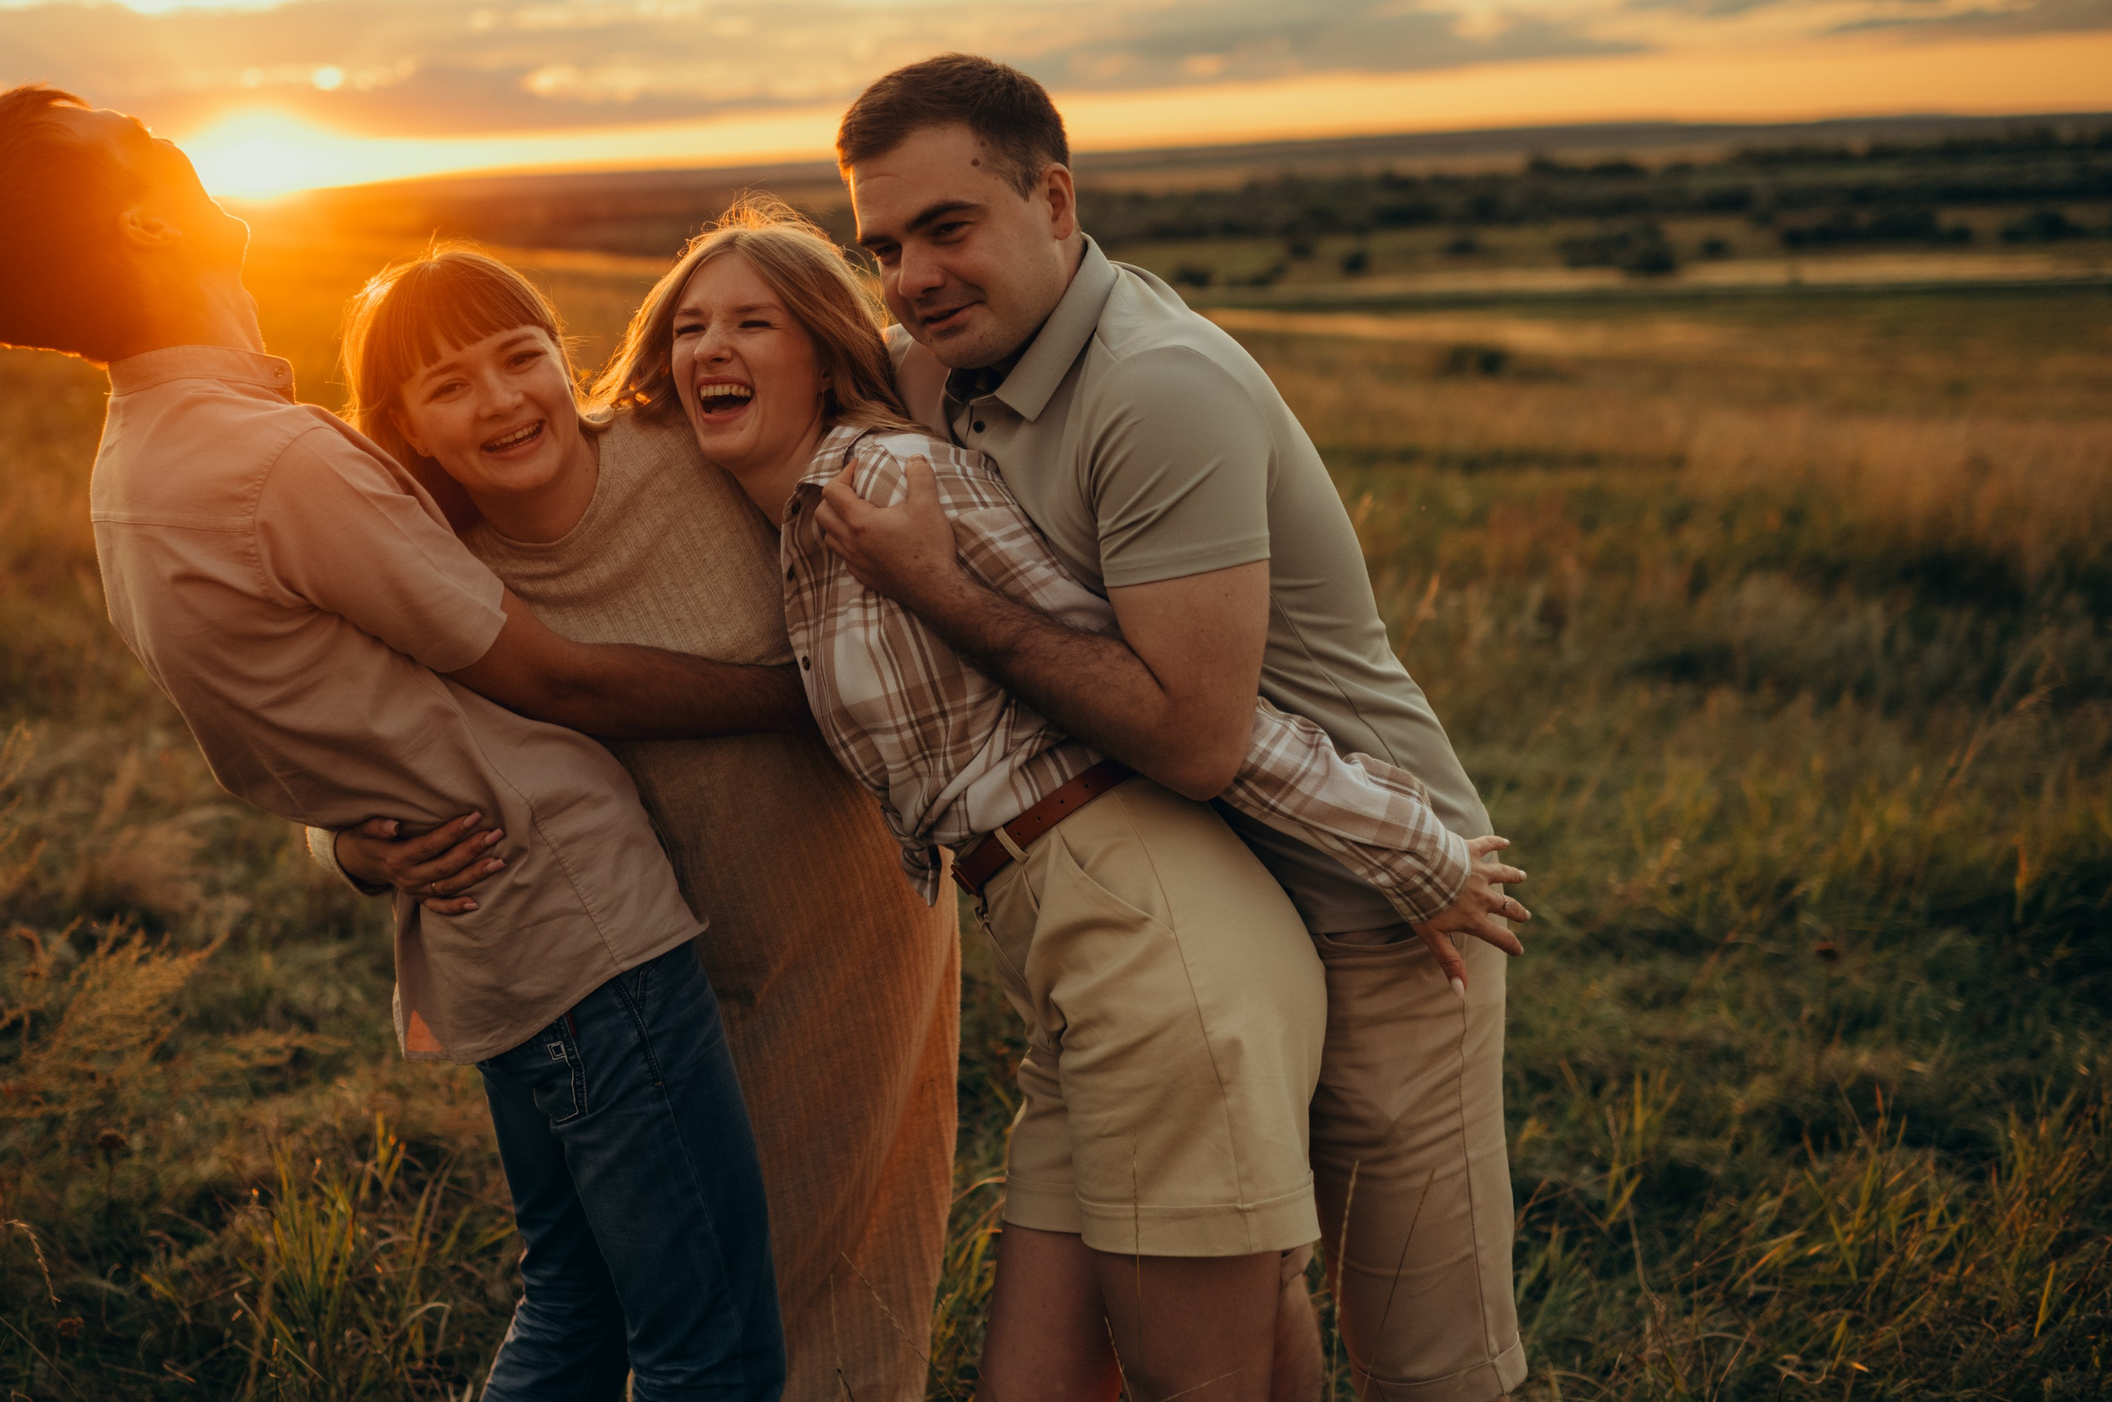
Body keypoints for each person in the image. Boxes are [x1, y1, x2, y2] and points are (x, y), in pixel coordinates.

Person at [0, 86, 787, 1402]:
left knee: (576, 1311)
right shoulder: (271, 464)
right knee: (709, 1349)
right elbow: (547, 674)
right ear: (148, 219)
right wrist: (810, 690)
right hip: (579, 922)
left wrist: (351, 834)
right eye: (140, 142)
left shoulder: (136, 475)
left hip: (494, 931)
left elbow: (305, 720)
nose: (172, 141)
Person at [600, 200, 1519, 1402]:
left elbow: (1155, 698)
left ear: (826, 353)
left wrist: (1414, 846)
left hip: (1150, 942)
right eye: (689, 328)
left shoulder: (897, 476)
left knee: (1193, 1377)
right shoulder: (804, 521)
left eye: (751, 323)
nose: (708, 349)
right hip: (1071, 955)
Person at [822, 54, 1532, 1402]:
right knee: (1247, 1285)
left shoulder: (1157, 383)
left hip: (1378, 899)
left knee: (1427, 1351)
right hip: (1212, 898)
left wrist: (938, 585)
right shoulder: (944, 374)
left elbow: (1194, 733)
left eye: (946, 227)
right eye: (884, 244)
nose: (911, 274)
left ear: (1053, 197)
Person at [329, 246, 960, 1402]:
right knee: (682, 1308)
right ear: (404, 426)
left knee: (843, 1273)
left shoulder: (690, 460)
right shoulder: (425, 571)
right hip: (635, 984)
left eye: (520, 358)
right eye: (450, 384)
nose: (505, 400)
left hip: (843, 934)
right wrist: (353, 848)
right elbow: (348, 757)